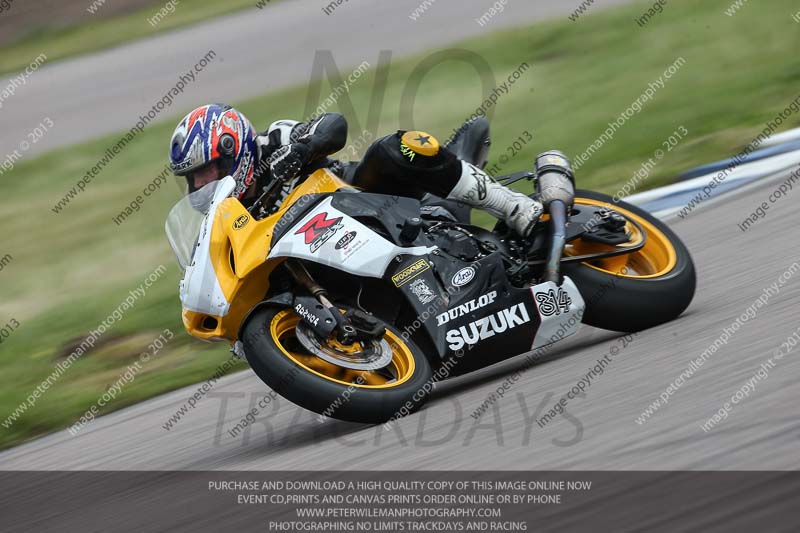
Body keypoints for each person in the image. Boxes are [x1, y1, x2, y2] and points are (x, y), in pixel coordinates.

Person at [168, 103, 547, 236]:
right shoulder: (226, 216)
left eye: (206, 171)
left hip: (370, 201)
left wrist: (302, 149)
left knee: (391, 148)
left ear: (233, 150)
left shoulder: (274, 140)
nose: (201, 185)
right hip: (327, 249)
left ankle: (515, 207)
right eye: (193, 179)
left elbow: (332, 125)